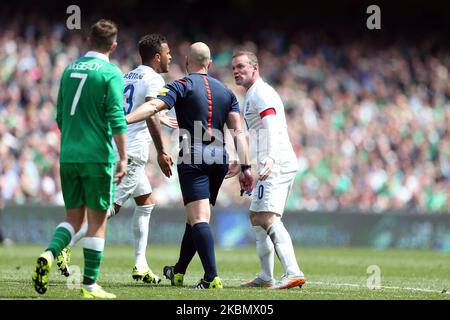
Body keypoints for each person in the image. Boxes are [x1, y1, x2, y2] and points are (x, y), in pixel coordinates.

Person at [126, 42, 253, 289]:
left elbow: (153, 106)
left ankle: (211, 277)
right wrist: (246, 166)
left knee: (199, 218)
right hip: (219, 157)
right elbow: (239, 131)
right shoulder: (226, 92)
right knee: (194, 218)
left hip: (193, 155)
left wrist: (125, 119)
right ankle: (179, 271)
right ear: (210, 63)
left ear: (186, 61)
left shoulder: (181, 85)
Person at [55, 34, 177, 285]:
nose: (170, 57)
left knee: (146, 202)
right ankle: (65, 246)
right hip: (131, 153)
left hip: (118, 147)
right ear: (157, 56)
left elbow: (123, 108)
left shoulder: (126, 76)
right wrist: (162, 151)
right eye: (167, 53)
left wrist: (157, 117)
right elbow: (151, 112)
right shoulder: (154, 78)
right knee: (110, 209)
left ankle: (140, 264)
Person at [32, 19, 127, 299]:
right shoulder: (111, 72)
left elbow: (60, 115)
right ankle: (89, 286)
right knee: (97, 221)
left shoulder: (69, 69)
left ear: (88, 41)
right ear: (114, 45)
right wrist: (123, 157)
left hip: (69, 155)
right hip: (97, 156)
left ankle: (49, 255)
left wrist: (75, 139)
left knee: (73, 217)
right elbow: (117, 118)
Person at [230, 51, 306, 289]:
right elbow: (259, 133)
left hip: (276, 162)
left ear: (255, 68)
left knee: (267, 217)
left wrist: (270, 158)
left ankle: (293, 271)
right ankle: (265, 276)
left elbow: (271, 127)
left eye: (241, 66)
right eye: (234, 67)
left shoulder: (261, 93)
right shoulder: (253, 95)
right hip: (270, 161)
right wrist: (242, 162)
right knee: (256, 216)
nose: (236, 71)